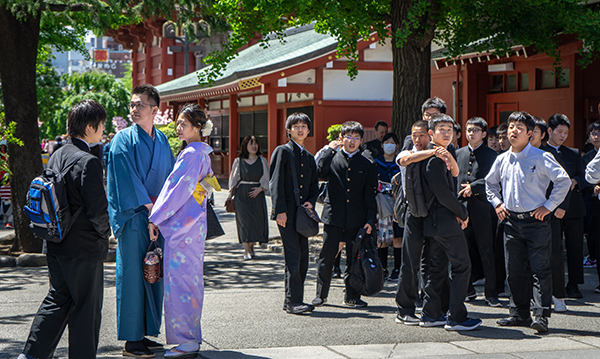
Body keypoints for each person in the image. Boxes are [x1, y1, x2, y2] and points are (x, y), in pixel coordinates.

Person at [19, 99, 110, 359]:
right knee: (85, 308)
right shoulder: (88, 162)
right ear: (90, 127)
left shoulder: (58, 154)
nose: (103, 129)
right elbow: (97, 211)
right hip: (83, 247)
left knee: (58, 298)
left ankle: (32, 354)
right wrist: (105, 234)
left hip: (54, 241)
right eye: (101, 125)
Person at [107, 84, 176, 357]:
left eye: (140, 105)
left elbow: (170, 179)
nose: (134, 109)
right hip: (134, 218)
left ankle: (146, 332)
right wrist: (151, 208)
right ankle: (131, 340)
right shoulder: (121, 140)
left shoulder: (162, 141)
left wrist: (162, 213)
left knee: (154, 275)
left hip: (157, 221)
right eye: (132, 104)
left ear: (154, 110)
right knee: (133, 277)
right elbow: (125, 179)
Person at [486, 111, 570, 333]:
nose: (513, 131)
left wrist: (549, 206)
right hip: (511, 221)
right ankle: (518, 314)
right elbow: (490, 185)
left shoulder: (541, 157)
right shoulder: (501, 159)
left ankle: (541, 316)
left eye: (519, 128)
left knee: (540, 270)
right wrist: (497, 203)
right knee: (514, 270)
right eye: (511, 127)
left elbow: (563, 181)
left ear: (530, 134)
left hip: (536, 221)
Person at [149, 104, 217, 357]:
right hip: (192, 225)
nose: (178, 128)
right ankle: (190, 337)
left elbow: (176, 190)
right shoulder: (201, 153)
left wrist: (155, 217)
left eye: (184, 124)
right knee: (189, 280)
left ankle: (186, 340)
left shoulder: (192, 154)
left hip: (184, 228)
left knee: (181, 283)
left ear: (198, 127)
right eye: (177, 123)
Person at [418, 113, 481, 331]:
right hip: (445, 222)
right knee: (462, 266)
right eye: (441, 129)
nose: (446, 133)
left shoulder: (442, 156)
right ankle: (456, 316)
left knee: (437, 269)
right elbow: (444, 195)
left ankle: (431, 314)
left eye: (449, 129)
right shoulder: (434, 160)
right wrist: (462, 213)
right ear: (431, 133)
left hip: (435, 224)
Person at [394, 120, 455, 325]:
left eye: (422, 135)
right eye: (414, 135)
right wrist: (434, 152)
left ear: (429, 136)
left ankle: (435, 308)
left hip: (431, 216)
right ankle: (405, 309)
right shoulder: (407, 152)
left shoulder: (439, 154)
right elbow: (407, 161)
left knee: (434, 263)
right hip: (412, 215)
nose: (417, 139)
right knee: (409, 263)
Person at [313, 121, 378, 309]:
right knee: (327, 256)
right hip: (333, 216)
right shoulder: (332, 157)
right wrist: (328, 150)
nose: (352, 141)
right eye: (348, 137)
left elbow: (370, 195)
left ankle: (351, 295)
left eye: (356, 138)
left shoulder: (367, 163)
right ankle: (321, 295)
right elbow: (319, 172)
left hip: (356, 218)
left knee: (353, 258)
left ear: (361, 141)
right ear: (341, 139)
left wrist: (370, 219)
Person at [269, 112, 319, 315]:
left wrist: (311, 202)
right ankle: (293, 301)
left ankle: (293, 298)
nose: (300, 129)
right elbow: (275, 183)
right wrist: (279, 210)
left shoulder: (308, 157)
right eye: (296, 126)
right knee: (294, 256)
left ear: (308, 130)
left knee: (304, 256)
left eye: (304, 126)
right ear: (288, 130)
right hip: (286, 213)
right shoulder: (282, 151)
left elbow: (314, 186)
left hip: (302, 214)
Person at [541, 114, 586, 300]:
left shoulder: (573, 153)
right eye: (559, 131)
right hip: (550, 207)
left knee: (575, 247)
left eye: (566, 133)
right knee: (553, 247)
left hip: (573, 208)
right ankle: (553, 283)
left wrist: (576, 180)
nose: (563, 136)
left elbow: (583, 177)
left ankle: (574, 284)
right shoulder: (541, 152)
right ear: (549, 131)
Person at [456, 117, 500, 307]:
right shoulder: (458, 153)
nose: (471, 133)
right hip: (462, 208)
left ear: (483, 134)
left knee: (486, 249)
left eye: (475, 130)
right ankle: (467, 289)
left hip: (483, 208)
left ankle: (492, 292)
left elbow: (495, 181)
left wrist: (474, 186)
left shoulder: (492, 155)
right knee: (462, 250)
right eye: (468, 130)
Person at [228, 135, 269, 260]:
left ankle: (251, 247)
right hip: (242, 194)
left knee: (256, 221)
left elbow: (267, 177)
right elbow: (234, 179)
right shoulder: (238, 161)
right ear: (245, 146)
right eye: (251, 144)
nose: (254, 146)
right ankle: (246, 250)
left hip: (257, 194)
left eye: (255, 143)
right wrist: (230, 195)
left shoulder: (262, 161)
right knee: (244, 221)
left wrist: (260, 188)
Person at [374, 133, 403, 281]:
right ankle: (383, 268)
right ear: (382, 145)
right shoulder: (376, 162)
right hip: (381, 203)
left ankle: (398, 269)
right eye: (387, 142)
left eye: (392, 142)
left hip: (397, 203)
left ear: (397, 146)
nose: (389, 145)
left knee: (398, 237)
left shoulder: (401, 162)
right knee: (382, 238)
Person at [583, 122, 600, 274]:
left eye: (599, 134)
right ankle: (593, 257)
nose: (597, 137)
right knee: (591, 233)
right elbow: (584, 179)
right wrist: (592, 188)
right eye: (593, 134)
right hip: (592, 200)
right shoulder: (586, 157)